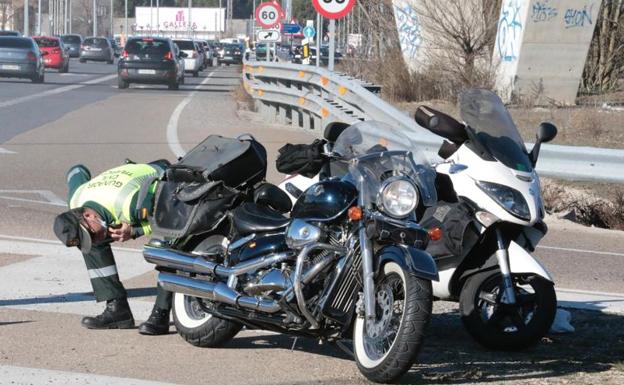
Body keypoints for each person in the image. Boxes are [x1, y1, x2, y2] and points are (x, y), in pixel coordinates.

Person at [53, 161, 171, 335]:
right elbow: (76, 170)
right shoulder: (76, 200)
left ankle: (161, 314)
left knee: (170, 240)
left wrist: (136, 230)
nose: (91, 238)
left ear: (88, 214)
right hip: (122, 188)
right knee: (93, 245)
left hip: (164, 181)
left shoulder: (130, 205)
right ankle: (118, 310)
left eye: (90, 233)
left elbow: (173, 215)